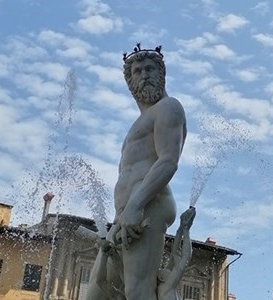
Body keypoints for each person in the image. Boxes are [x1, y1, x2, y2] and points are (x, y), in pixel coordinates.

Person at [86, 45, 187, 300]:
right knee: (97, 293)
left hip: (147, 207)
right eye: (138, 70)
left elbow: (168, 160)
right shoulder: (140, 121)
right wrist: (126, 210)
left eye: (150, 69)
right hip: (126, 213)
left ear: (162, 73)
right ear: (129, 80)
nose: (144, 75)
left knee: (137, 291)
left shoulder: (169, 107)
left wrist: (136, 205)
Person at [157, 207, 196, 300]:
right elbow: (186, 257)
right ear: (161, 278)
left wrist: (180, 229)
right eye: (165, 269)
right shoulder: (166, 287)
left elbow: (174, 252)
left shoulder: (166, 287)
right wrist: (186, 231)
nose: (168, 268)